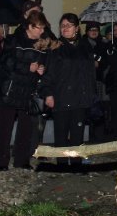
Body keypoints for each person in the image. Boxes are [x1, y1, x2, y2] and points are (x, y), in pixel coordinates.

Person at [0, 10, 51, 170]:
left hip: (29, 90)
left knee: (26, 128)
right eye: (38, 28)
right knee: (5, 127)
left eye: (43, 28)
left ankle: (21, 160)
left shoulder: (42, 43)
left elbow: (43, 62)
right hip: (10, 89)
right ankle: (2, 161)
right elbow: (6, 62)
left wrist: (41, 68)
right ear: (29, 26)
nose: (41, 31)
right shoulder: (13, 40)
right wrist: (27, 67)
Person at [39, 13, 96, 160]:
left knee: (77, 134)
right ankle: (62, 165)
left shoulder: (85, 47)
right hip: (62, 95)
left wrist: (91, 93)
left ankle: (76, 165)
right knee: (61, 134)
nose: (65, 28)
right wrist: (48, 93)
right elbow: (49, 72)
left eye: (68, 25)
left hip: (80, 96)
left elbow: (90, 74)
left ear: (76, 28)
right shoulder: (56, 47)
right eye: (62, 25)